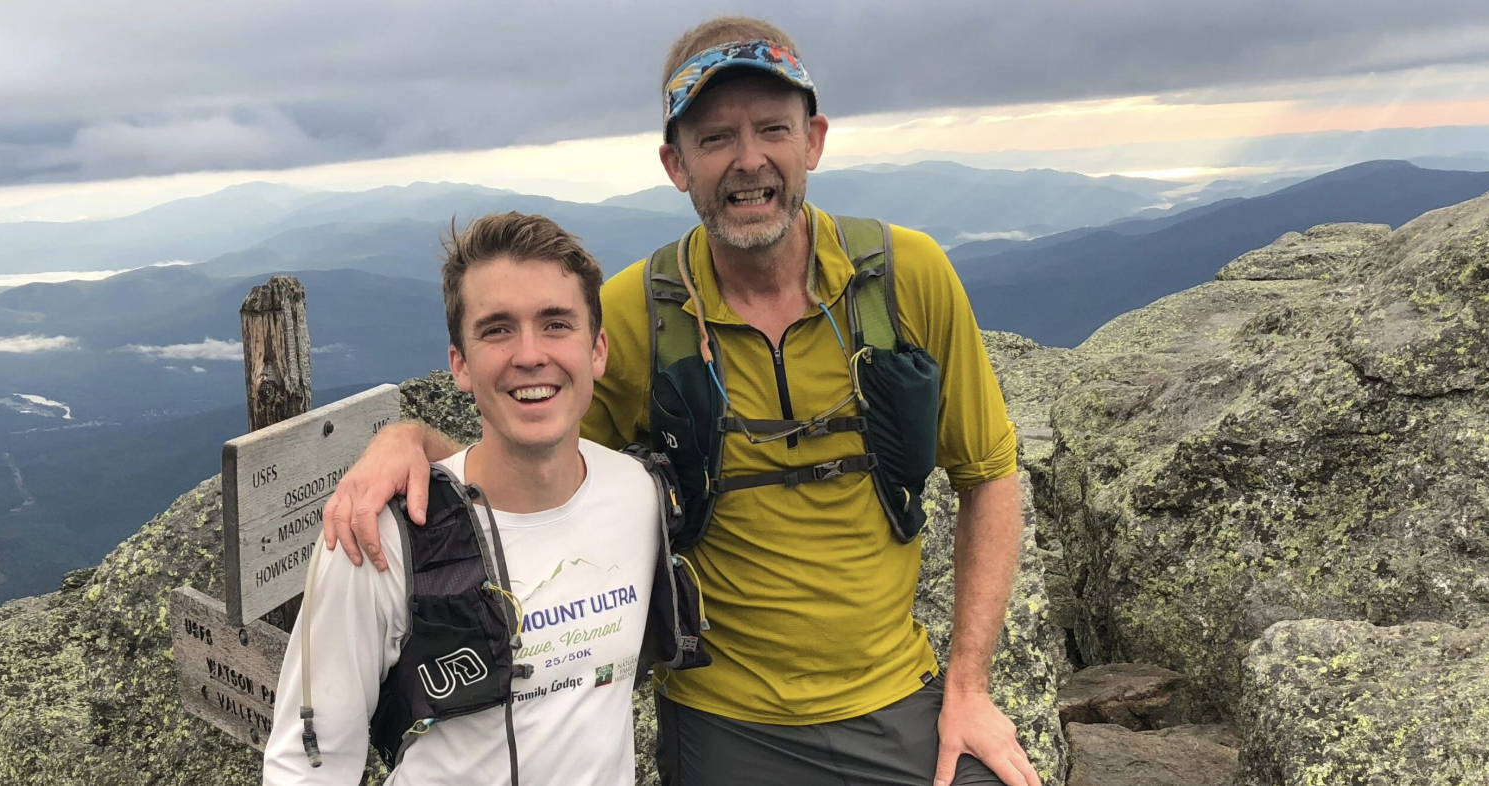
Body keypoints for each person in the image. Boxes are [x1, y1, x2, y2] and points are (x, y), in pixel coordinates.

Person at [321, 16, 1041, 786]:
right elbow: (527, 467)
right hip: (721, 721)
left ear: (814, 141)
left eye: (773, 129)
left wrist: (969, 687)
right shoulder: (636, 314)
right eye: (715, 138)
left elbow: (988, 473)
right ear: (676, 163)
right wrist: (410, 443)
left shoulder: (906, 277)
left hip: (898, 695)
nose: (748, 159)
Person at [263, 212, 673, 785]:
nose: (529, 354)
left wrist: (413, 435)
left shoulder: (639, 497)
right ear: (460, 363)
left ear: (597, 350)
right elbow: (306, 766)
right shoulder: (379, 540)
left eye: (556, 324)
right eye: (497, 330)